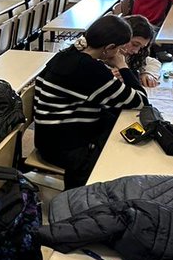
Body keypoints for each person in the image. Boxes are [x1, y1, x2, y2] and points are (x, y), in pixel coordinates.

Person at [33, 15, 148, 188]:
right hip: (65, 148)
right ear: (109, 48)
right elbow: (141, 102)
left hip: (48, 138)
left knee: (119, 123)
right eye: (119, 49)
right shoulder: (90, 69)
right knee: (127, 146)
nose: (120, 53)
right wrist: (123, 66)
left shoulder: (67, 55)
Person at [123, 15, 163, 88]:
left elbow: (153, 62)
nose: (136, 51)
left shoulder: (129, 56)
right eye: (135, 44)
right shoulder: (103, 57)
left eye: (141, 47)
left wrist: (148, 73)